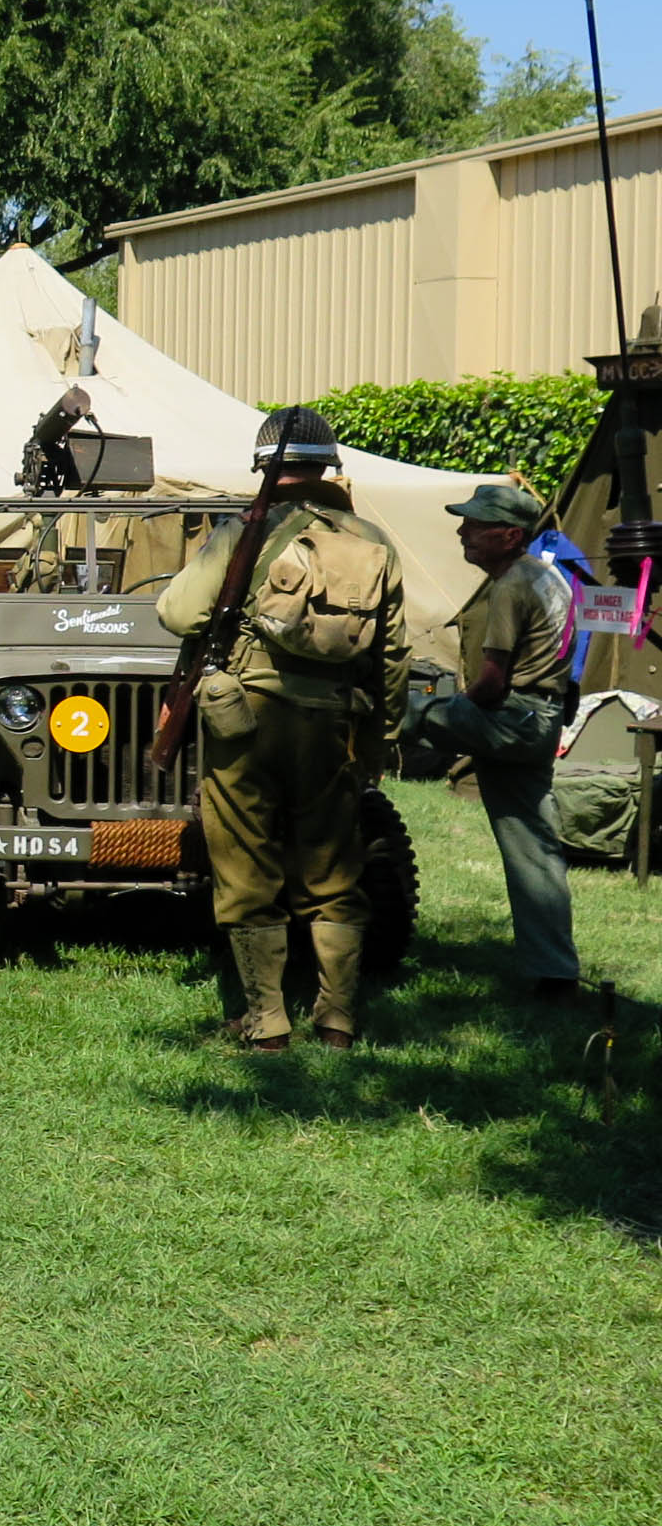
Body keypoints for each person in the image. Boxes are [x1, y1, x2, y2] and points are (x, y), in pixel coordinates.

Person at [157, 406, 408, 1051]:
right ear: (329, 467)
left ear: (262, 465)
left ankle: (266, 1022)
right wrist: (378, 738)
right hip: (335, 725)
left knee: (247, 869)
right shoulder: (373, 541)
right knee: (334, 872)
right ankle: (338, 1020)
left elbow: (178, 613)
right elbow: (393, 655)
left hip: (246, 723)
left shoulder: (245, 531)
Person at [413, 483, 579, 999]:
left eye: (475, 525)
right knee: (533, 848)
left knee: (402, 710)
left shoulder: (509, 586)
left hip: (513, 717)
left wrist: (445, 714)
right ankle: (555, 973)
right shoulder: (549, 576)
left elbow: (490, 685)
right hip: (543, 717)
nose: (462, 532)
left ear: (509, 535)